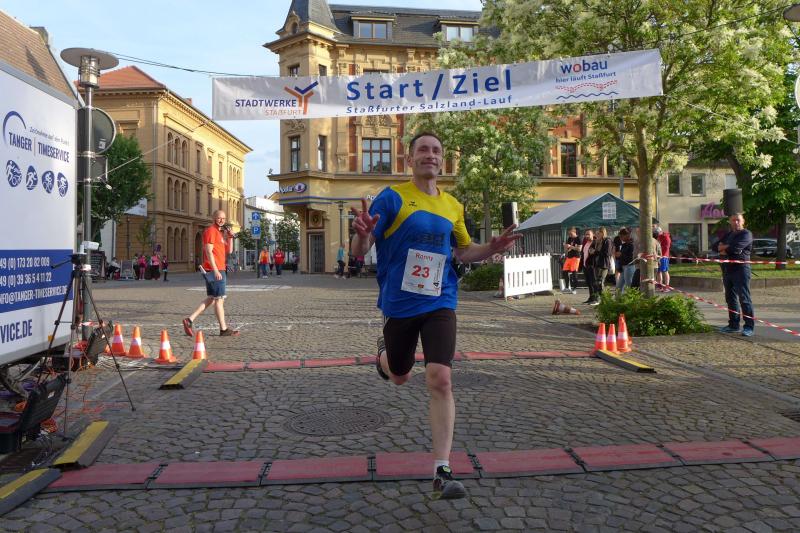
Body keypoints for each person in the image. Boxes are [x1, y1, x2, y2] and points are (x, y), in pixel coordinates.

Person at [349, 132, 521, 500]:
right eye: (423, 149)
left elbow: (463, 252)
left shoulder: (452, 205)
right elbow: (361, 249)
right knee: (400, 376)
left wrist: (491, 247)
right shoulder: (392, 198)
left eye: (437, 150)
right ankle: (384, 356)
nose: (431, 155)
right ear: (409, 158)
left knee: (440, 378)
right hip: (399, 302)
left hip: (440, 298)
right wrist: (361, 236)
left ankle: (442, 470)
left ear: (443, 160)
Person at [183, 210, 239, 337]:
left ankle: (189, 320)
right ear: (214, 218)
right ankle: (223, 329)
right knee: (219, 299)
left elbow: (229, 251)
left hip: (219, 269)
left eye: (223, 218)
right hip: (216, 270)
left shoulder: (220, 233)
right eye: (219, 218)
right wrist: (215, 270)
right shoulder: (211, 231)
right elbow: (208, 252)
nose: (221, 220)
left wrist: (230, 237)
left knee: (212, 299)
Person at [712, 213, 754, 336]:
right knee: (730, 298)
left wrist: (724, 248)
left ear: (743, 221)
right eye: (733, 220)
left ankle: (749, 327)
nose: (736, 222)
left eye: (738, 220)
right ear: (730, 222)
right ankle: (733, 325)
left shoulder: (746, 234)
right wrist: (725, 248)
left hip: (741, 269)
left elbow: (735, 249)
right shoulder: (729, 234)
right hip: (727, 269)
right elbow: (714, 246)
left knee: (744, 298)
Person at [589, 227, 614, 305]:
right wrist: (591, 250)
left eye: (598, 233)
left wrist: (595, 252)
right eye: (596, 233)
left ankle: (603, 300)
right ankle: (600, 299)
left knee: (600, 282)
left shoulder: (607, 241)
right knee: (597, 282)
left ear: (603, 233)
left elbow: (607, 253)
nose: (597, 235)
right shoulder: (597, 241)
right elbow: (593, 249)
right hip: (597, 264)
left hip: (604, 264)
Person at [615, 228, 635, 295]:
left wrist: (621, 254)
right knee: (619, 286)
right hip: (624, 267)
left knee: (628, 286)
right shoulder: (624, 244)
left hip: (629, 266)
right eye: (620, 236)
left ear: (626, 235)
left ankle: (630, 299)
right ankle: (619, 300)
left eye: (621, 236)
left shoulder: (631, 244)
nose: (620, 238)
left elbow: (631, 257)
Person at [561, 227, 581, 294]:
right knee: (564, 271)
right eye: (569, 234)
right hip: (569, 257)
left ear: (574, 232)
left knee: (574, 273)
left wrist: (570, 246)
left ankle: (574, 289)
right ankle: (567, 287)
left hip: (575, 257)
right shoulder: (569, 238)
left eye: (571, 233)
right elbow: (568, 248)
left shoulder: (578, 239)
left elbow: (579, 249)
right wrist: (566, 247)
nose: (569, 235)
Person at [580, 229, 597, 304]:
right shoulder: (586, 243)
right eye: (586, 234)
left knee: (593, 282)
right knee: (589, 282)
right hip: (585, 265)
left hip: (591, 265)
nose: (587, 236)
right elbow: (583, 254)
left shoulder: (595, 243)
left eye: (588, 234)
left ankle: (595, 298)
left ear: (592, 235)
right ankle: (591, 297)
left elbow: (595, 253)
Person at [654, 226, 672, 292]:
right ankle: (659, 286)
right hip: (659, 256)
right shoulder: (659, 237)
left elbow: (666, 248)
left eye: (656, 233)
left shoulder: (666, 237)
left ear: (659, 232)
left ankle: (667, 287)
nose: (656, 234)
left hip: (664, 257)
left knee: (665, 271)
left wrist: (662, 255)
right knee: (659, 271)